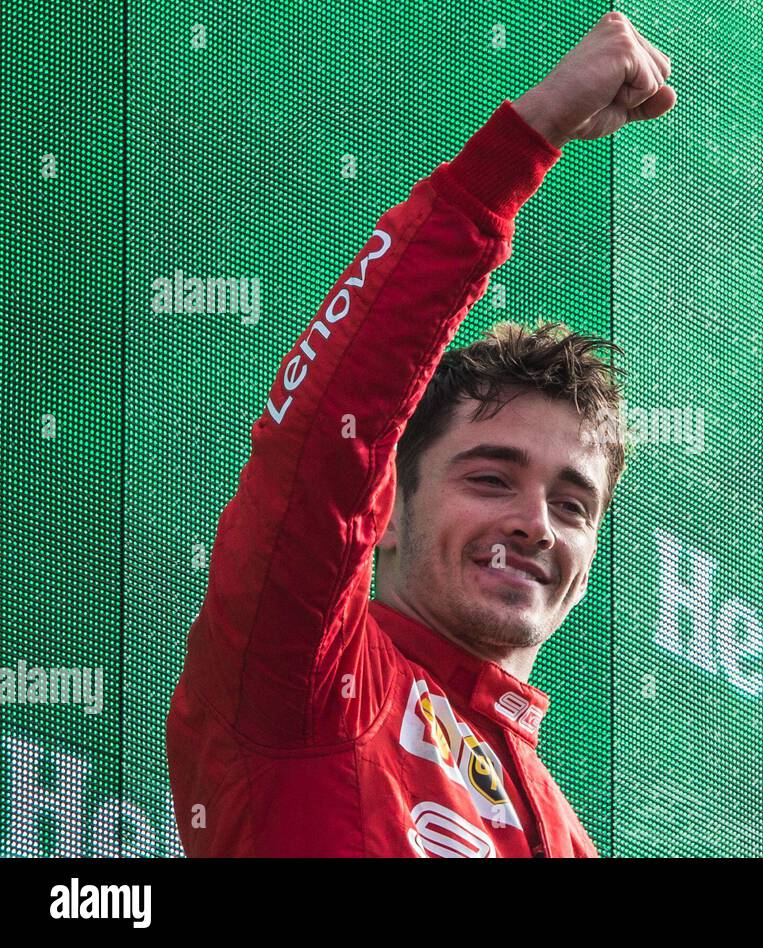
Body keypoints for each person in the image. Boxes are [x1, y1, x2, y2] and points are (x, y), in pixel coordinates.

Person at [166, 13, 675, 858]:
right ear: (387, 511)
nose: (535, 523)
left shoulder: (568, 834)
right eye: (490, 477)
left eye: (573, 503)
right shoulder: (309, 679)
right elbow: (330, 432)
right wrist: (526, 139)